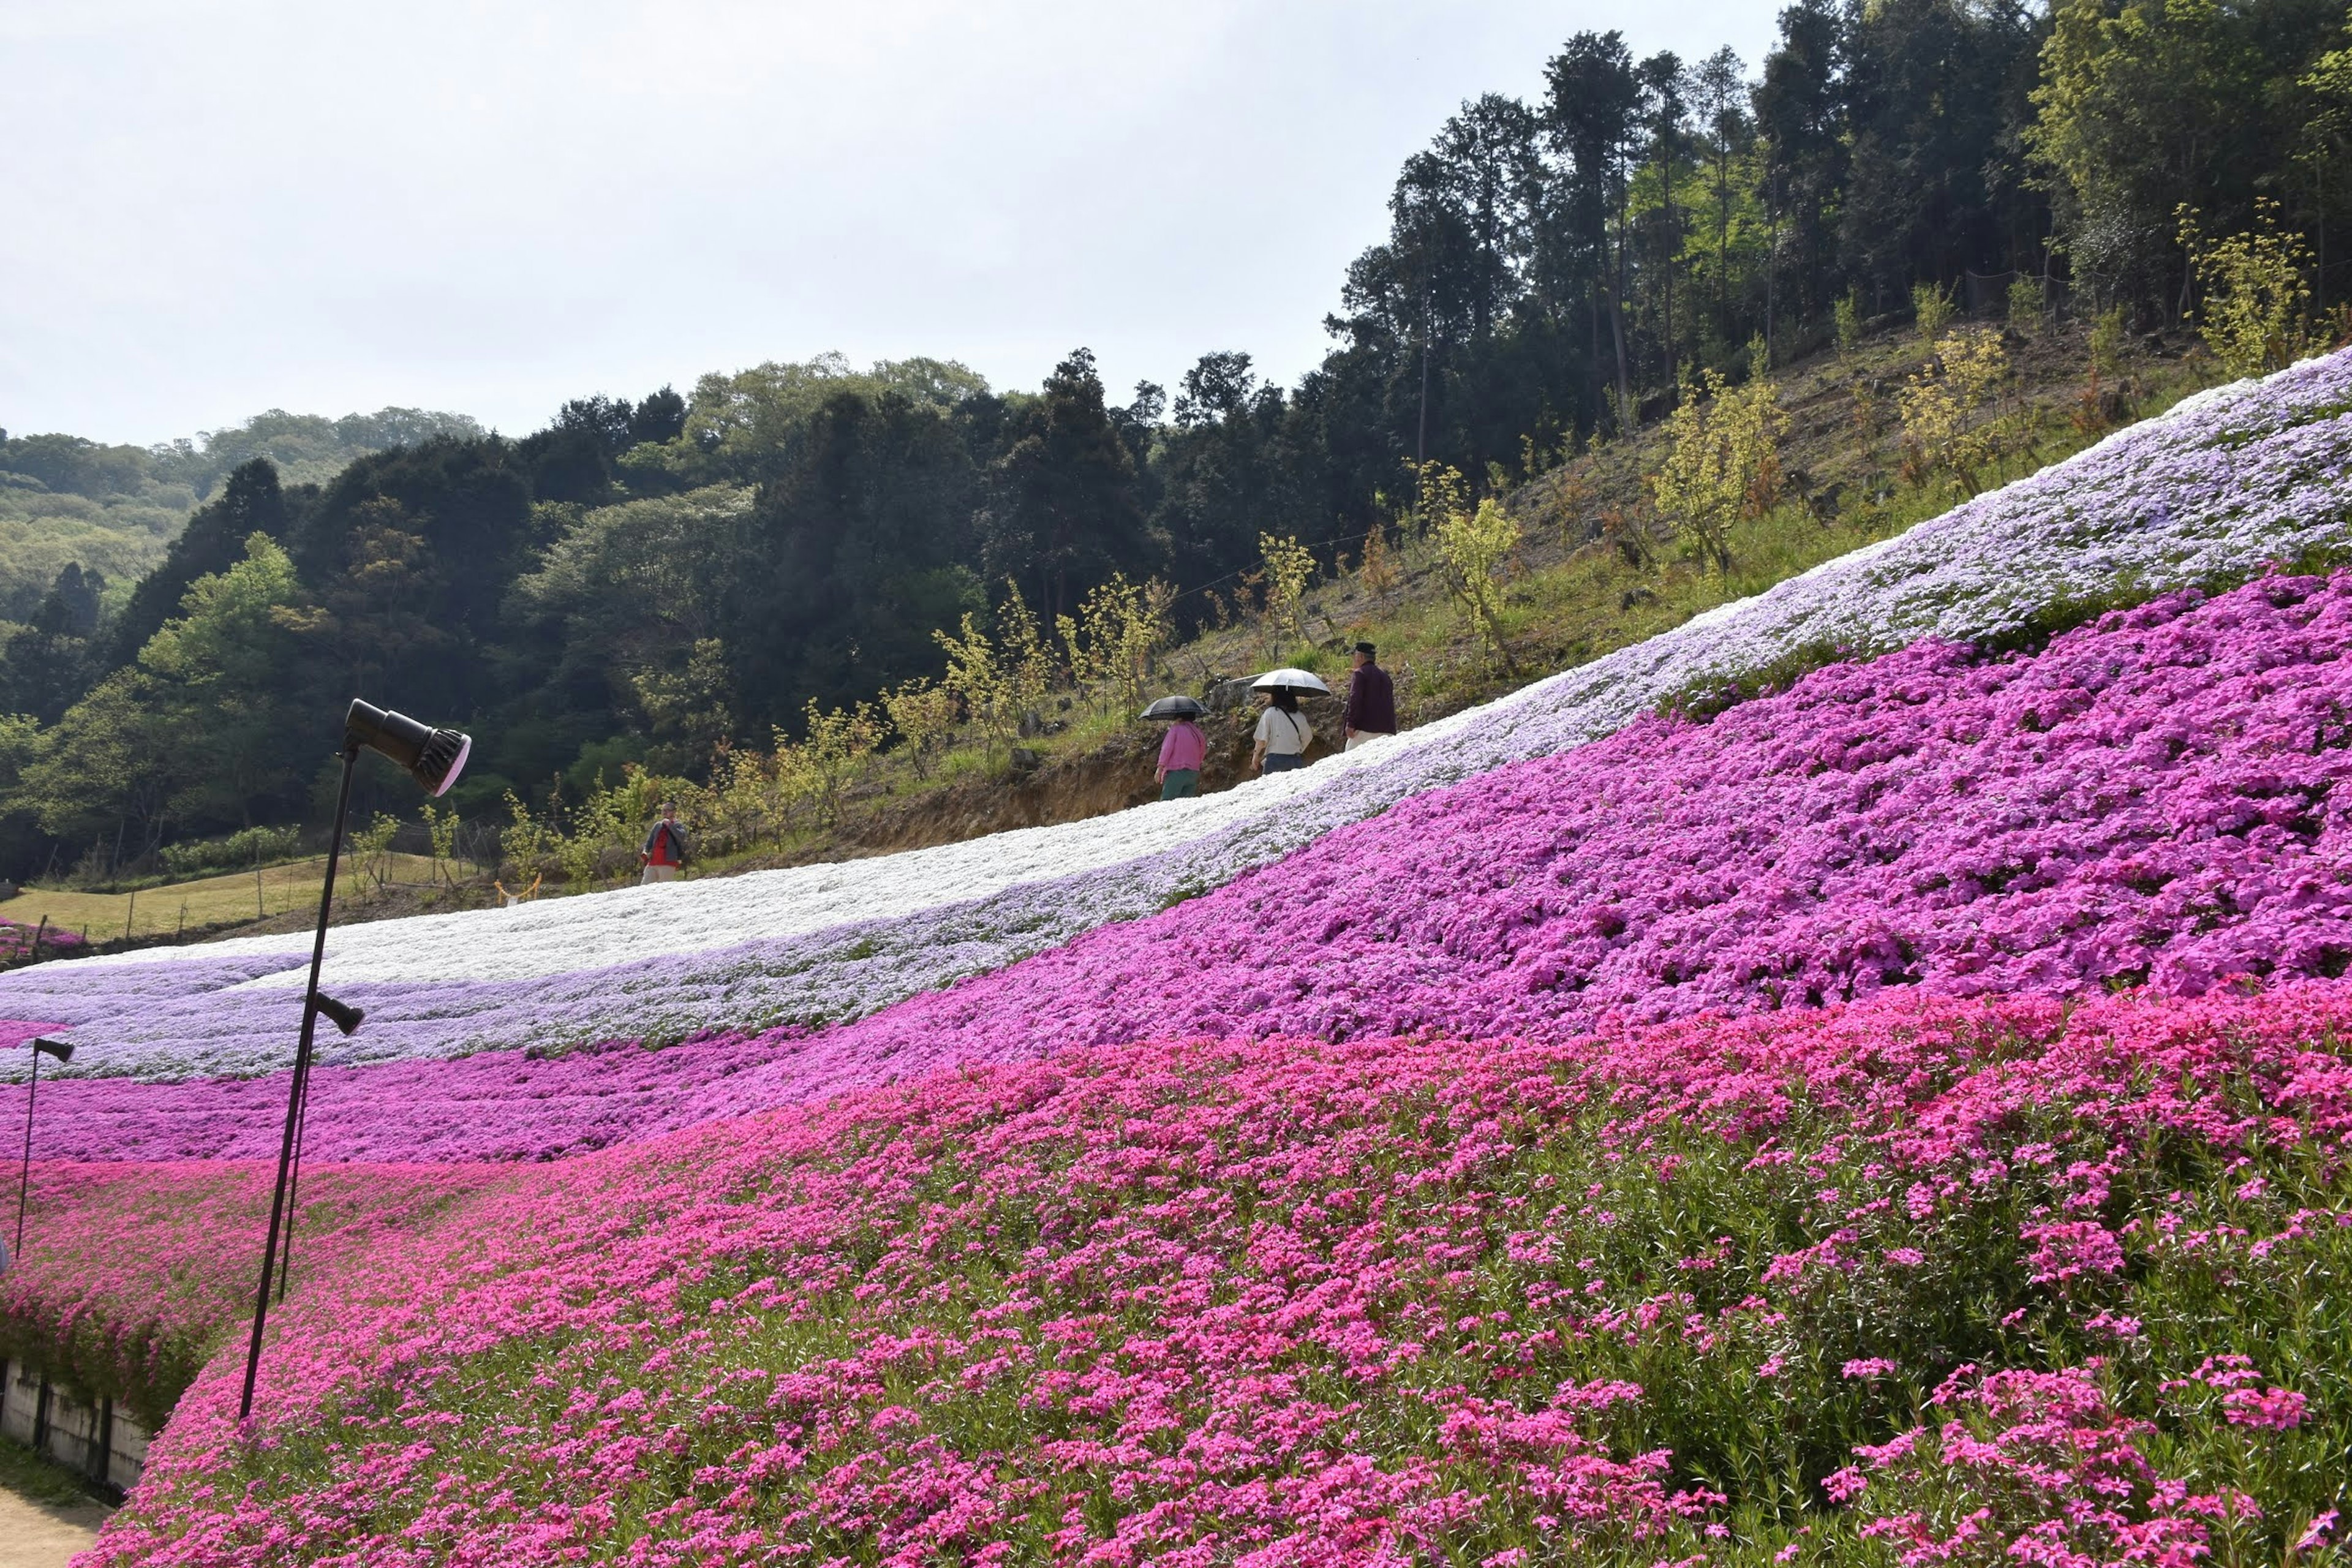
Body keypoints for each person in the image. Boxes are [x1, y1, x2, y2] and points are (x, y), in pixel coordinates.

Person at [1343, 641, 1396, 751]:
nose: (1353, 659)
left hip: (1365, 729)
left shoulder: (1360, 674)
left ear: (1360, 656)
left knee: (1351, 760)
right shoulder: (1385, 676)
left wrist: (1350, 724)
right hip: (1387, 729)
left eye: (1354, 656)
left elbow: (1355, 699)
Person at [1252, 688, 1313, 774]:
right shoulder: (1300, 716)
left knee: (1272, 787)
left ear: (1275, 697)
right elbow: (1308, 737)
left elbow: (1261, 740)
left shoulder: (1270, 713)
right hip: (1295, 760)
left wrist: (1256, 755)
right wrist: (1298, 750)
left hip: (1275, 760)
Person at [1155, 710, 1207, 799]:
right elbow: (1202, 750)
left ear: (1179, 718)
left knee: (1166, 805)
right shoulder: (1197, 732)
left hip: (1176, 772)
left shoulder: (1176, 729)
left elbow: (1167, 749)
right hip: (1193, 772)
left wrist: (1160, 769)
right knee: (1184, 805)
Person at [639, 802, 688, 884]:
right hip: (653, 863)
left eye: (668, 810)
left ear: (674, 812)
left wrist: (670, 825)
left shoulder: (678, 825)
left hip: (668, 863)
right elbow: (650, 842)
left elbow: (681, 837)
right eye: (663, 810)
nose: (665, 812)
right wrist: (645, 851)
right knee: (644, 887)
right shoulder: (658, 825)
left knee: (664, 889)